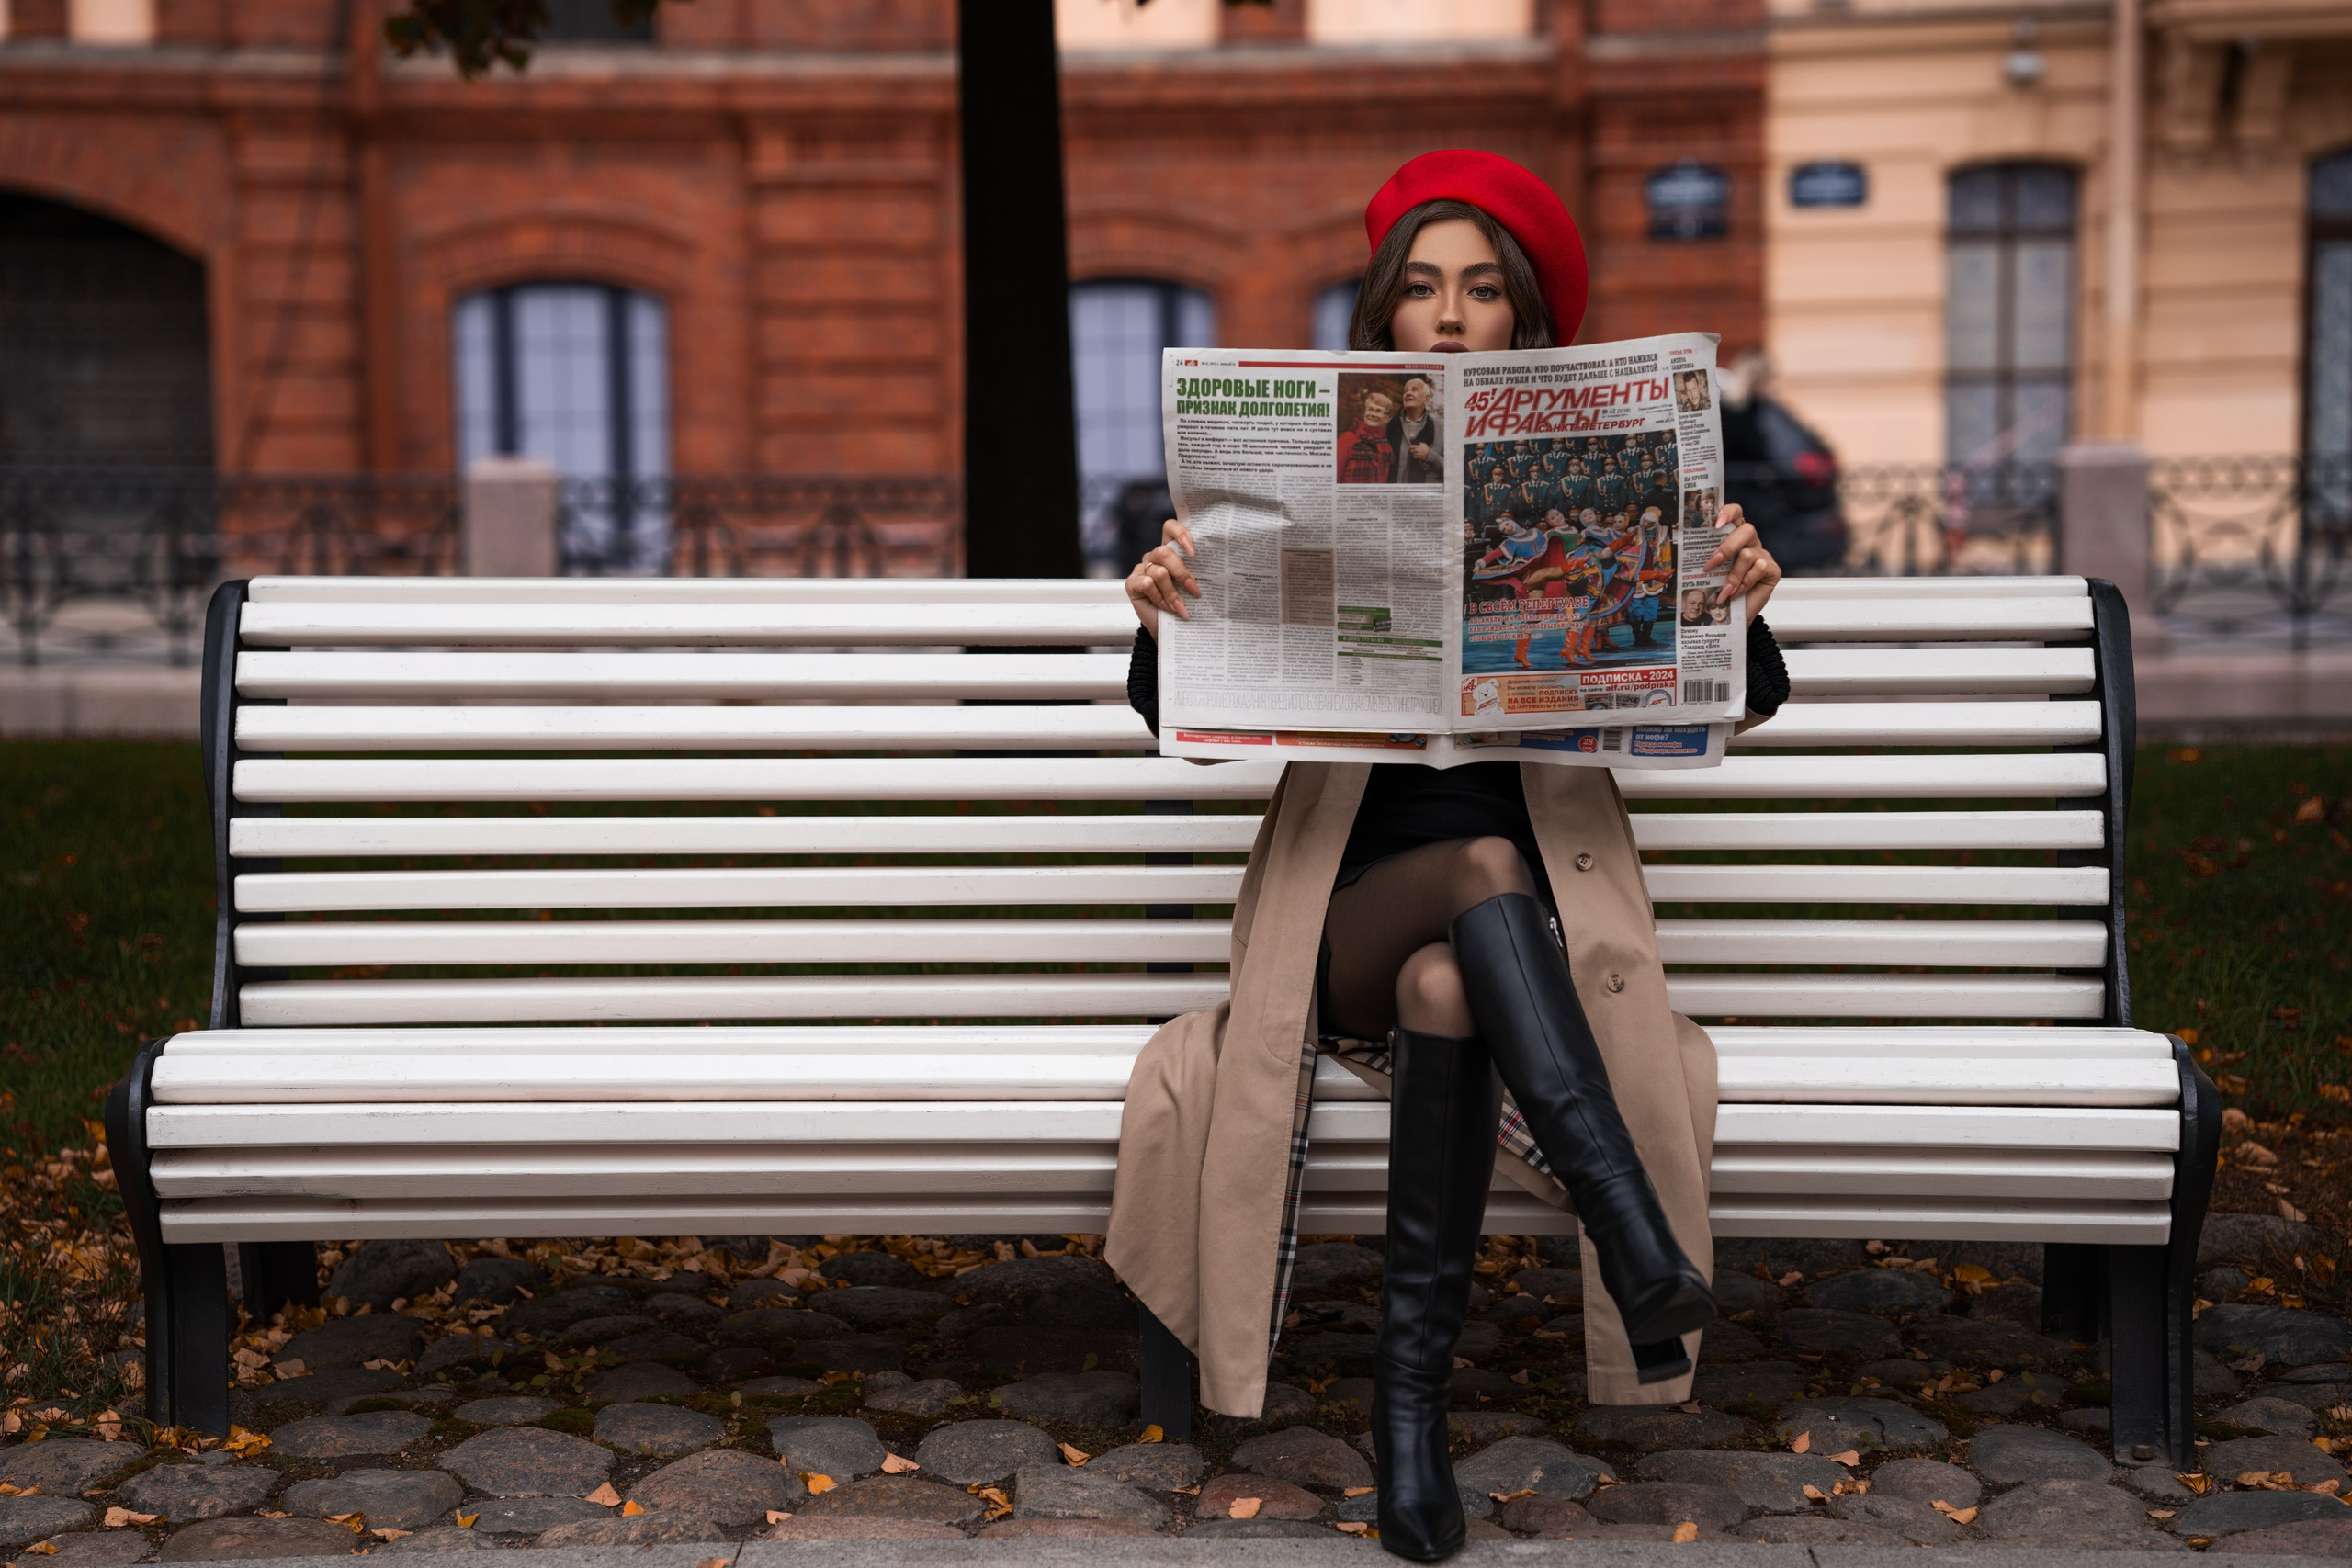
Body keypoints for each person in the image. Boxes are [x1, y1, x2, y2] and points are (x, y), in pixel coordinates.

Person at [1113, 149, 1789, 1564]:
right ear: (1384, 316)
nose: (1450, 312)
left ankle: (1406, 1423)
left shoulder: (1591, 480)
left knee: (1449, 986)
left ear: (1524, 323)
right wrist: (1165, 610)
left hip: (1495, 965)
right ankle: (1632, 1231)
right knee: (1477, 865)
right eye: (1420, 287)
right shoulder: (1307, 477)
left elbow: (1746, 701)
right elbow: (1178, 713)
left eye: (1483, 288)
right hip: (1342, 920)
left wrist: (1734, 594)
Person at [1386, 375, 1443, 483]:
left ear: (1426, 399)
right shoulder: (1389, 426)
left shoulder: (1440, 429)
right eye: (1406, 391)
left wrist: (1430, 456)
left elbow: (1452, 470)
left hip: (1424, 498)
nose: (1408, 393)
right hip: (1394, 495)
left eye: (1414, 390)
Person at [1340, 389, 1399, 483]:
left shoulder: (1387, 446)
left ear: (1386, 418)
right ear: (1365, 412)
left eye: (1379, 411)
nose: (1373, 414)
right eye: (1370, 409)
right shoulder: (1347, 439)